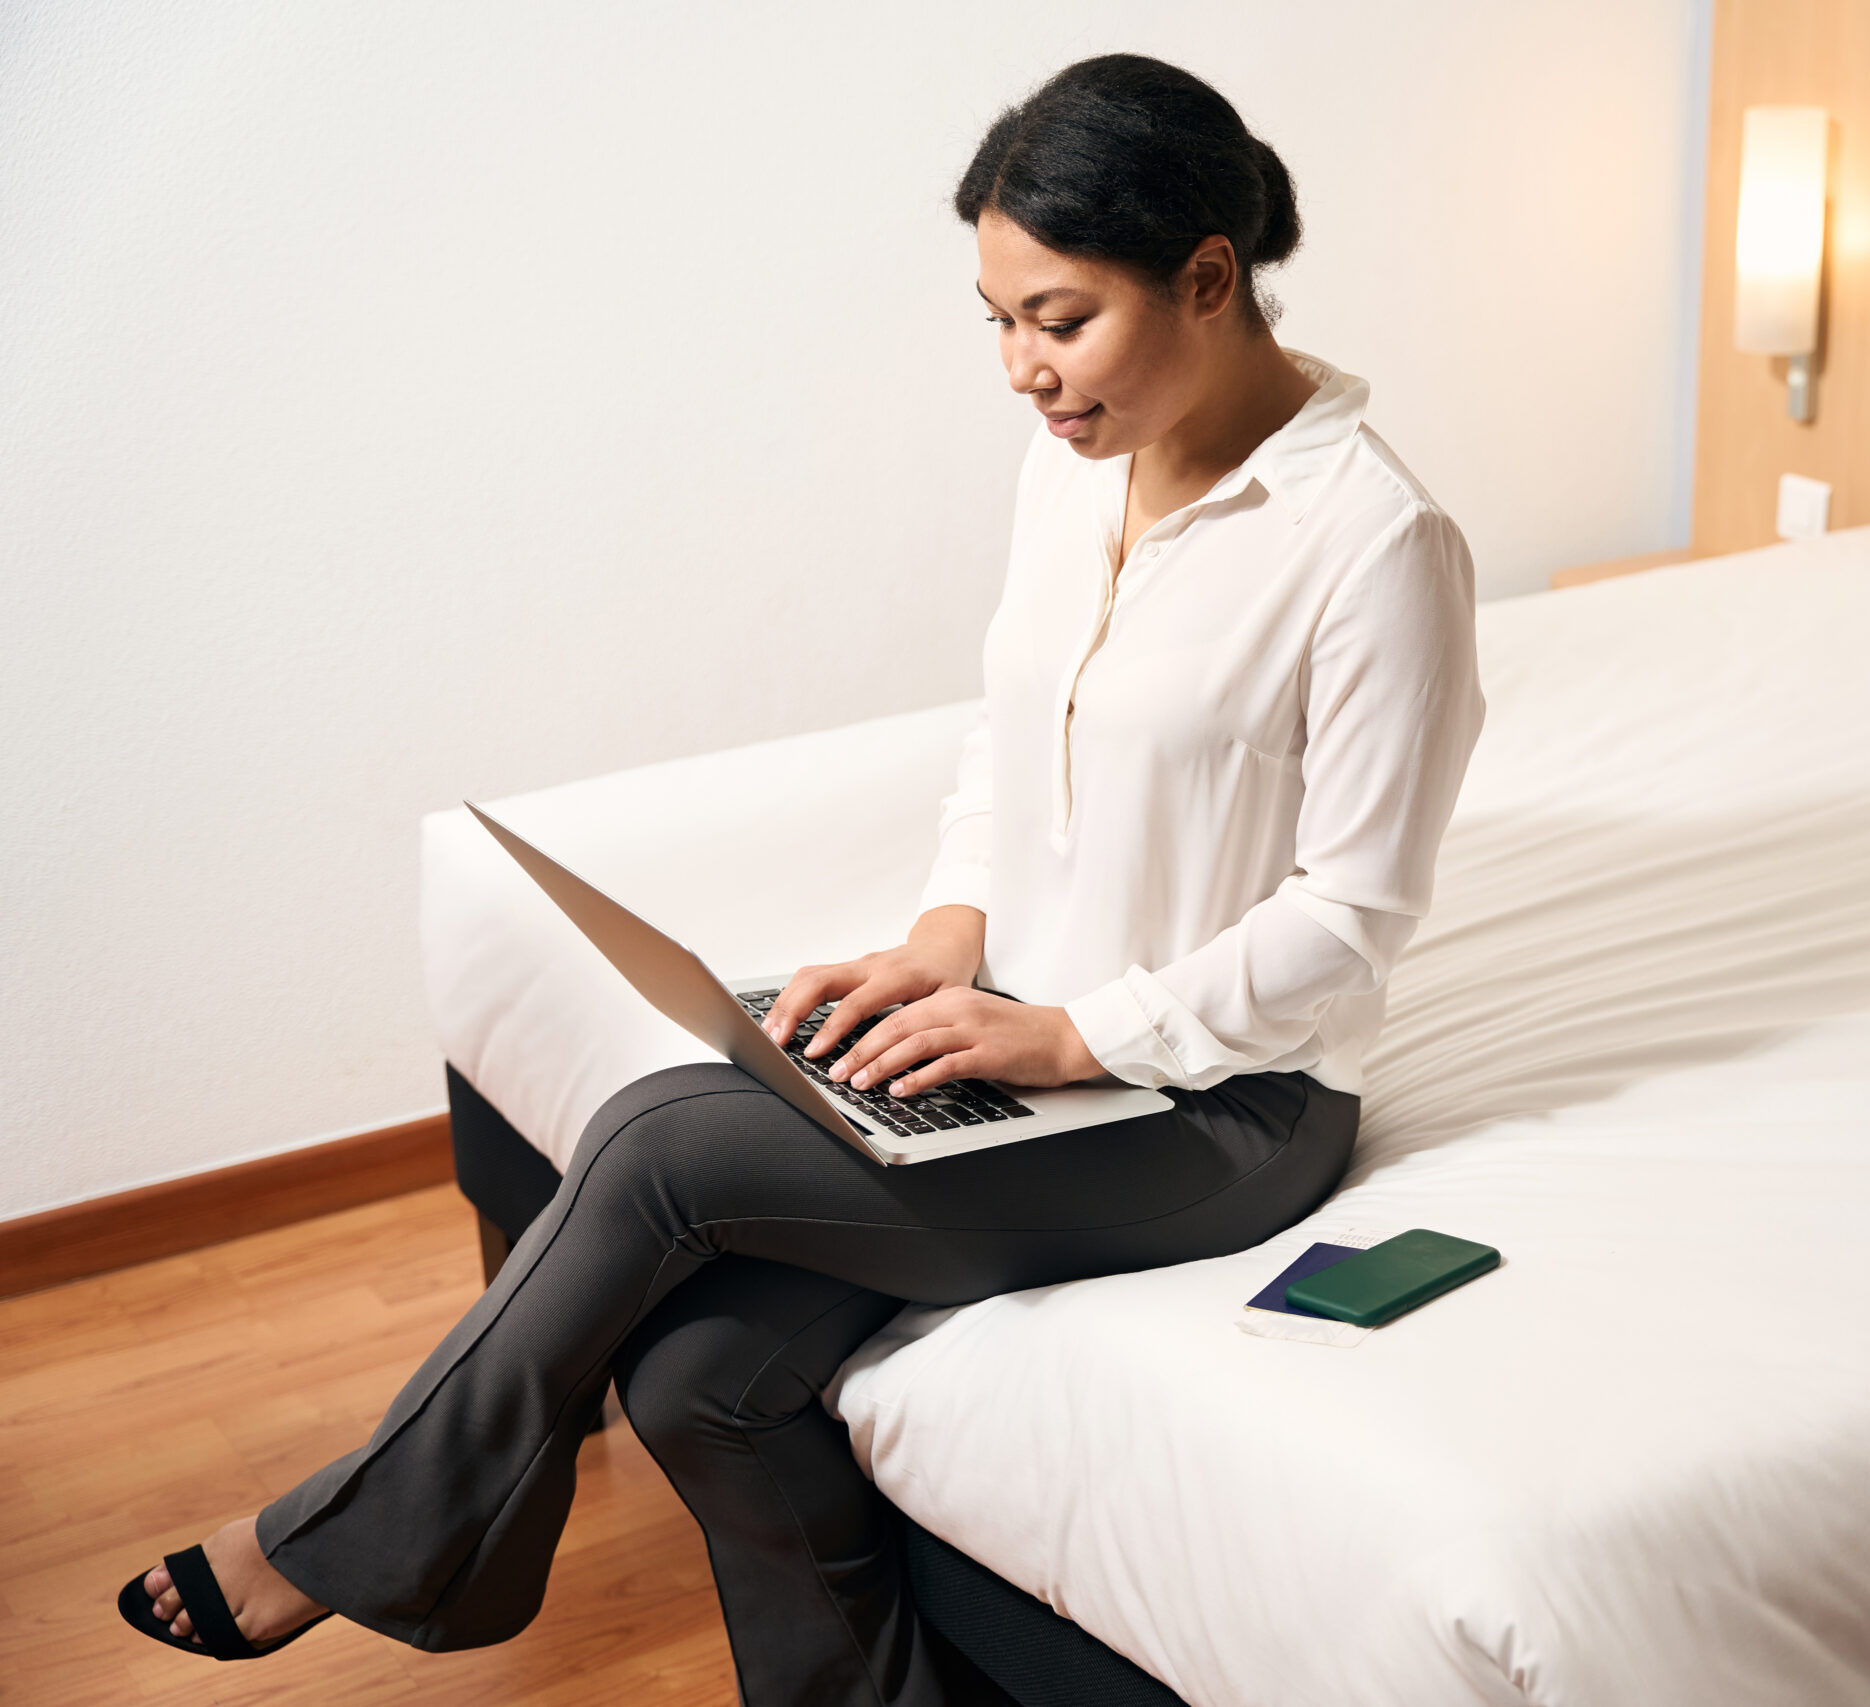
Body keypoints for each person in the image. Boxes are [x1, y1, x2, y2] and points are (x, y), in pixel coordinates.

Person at [118, 52, 1483, 1707]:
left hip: (1220, 1112)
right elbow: (1012, 747)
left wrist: (1062, 1038)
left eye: (1058, 318)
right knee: (704, 1379)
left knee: (662, 1147)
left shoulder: (1374, 543)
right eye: (994, 320)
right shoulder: (1080, 468)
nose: (1020, 370)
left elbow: (1350, 926)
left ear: (1209, 278)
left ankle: (349, 1542)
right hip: (1026, 1047)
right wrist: (945, 940)